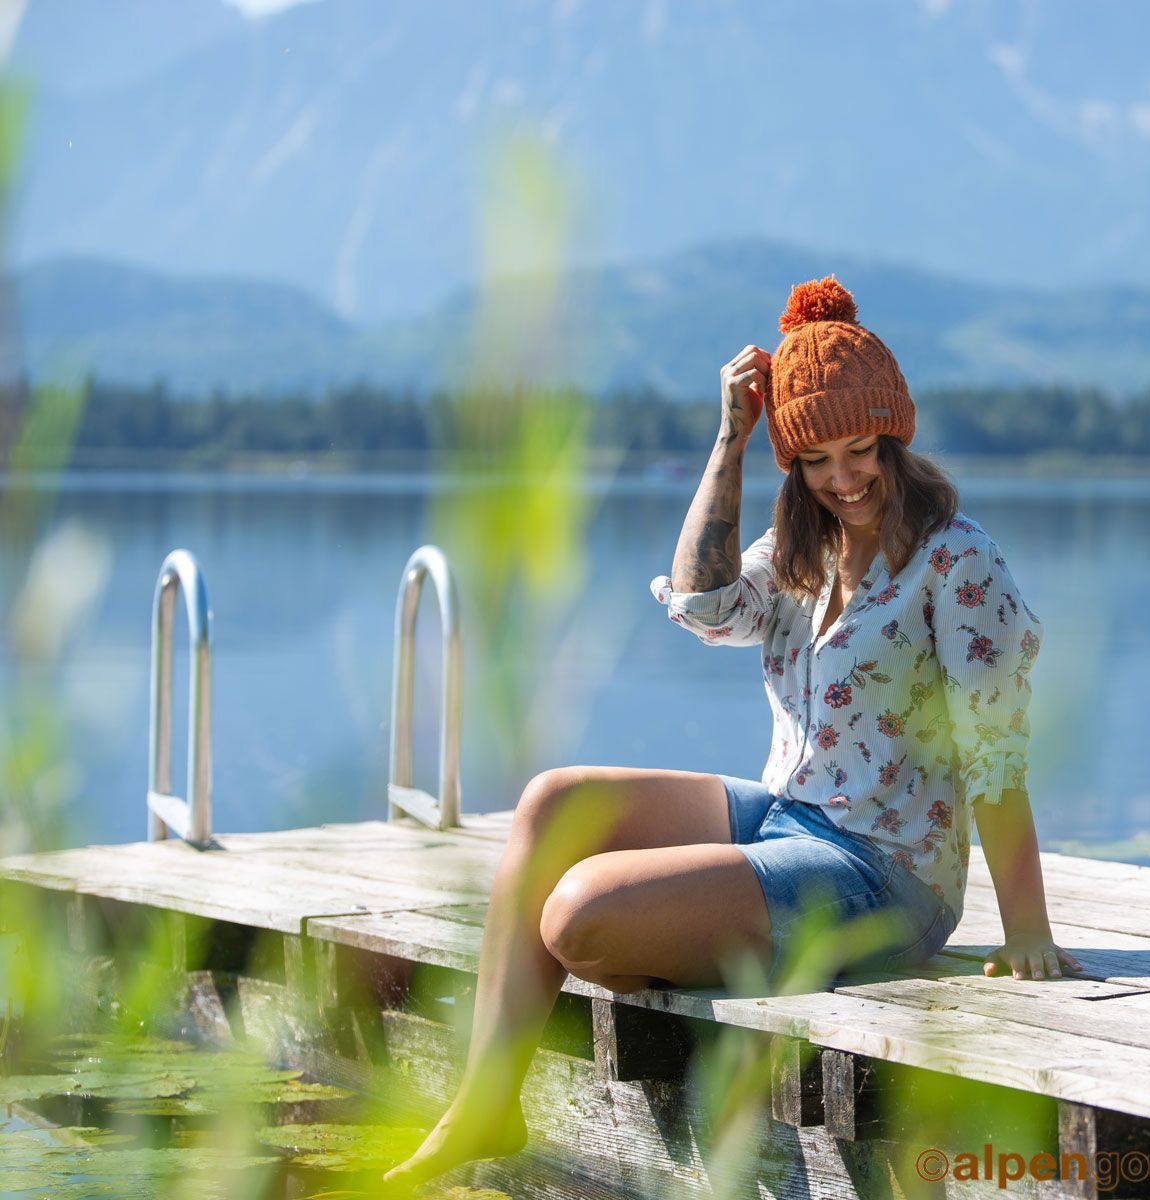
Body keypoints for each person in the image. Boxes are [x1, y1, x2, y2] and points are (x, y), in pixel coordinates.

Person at [382, 274, 1082, 1191]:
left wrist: (1025, 927)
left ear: (894, 437)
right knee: (553, 800)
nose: (845, 478)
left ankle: (667, 935)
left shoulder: (956, 562)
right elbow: (708, 606)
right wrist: (730, 436)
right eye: (818, 458)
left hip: (881, 877)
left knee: (577, 914)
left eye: (861, 449)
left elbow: (995, 752)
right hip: (790, 819)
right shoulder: (804, 549)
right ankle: (484, 1102)